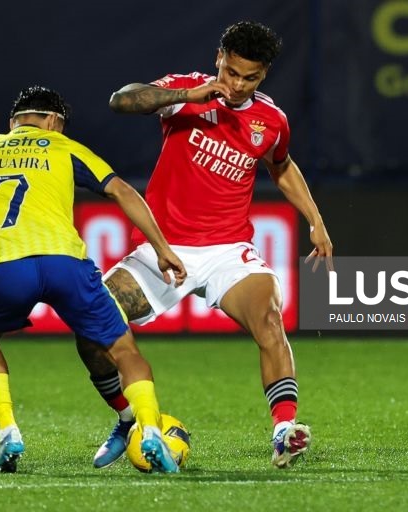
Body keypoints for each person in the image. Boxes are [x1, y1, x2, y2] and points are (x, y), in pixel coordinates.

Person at [0, 86, 187, 474]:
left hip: (4, 270)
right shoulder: (63, 147)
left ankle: (8, 431)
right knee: (121, 346)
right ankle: (150, 429)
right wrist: (161, 246)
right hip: (65, 264)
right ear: (53, 121)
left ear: (13, 123)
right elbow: (121, 190)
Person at [77, 21, 333, 469]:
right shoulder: (185, 91)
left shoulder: (271, 121)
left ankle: (283, 432)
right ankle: (125, 419)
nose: (236, 85)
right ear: (219, 57)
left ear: (264, 76)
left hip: (227, 250)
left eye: (249, 78)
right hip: (163, 248)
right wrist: (183, 98)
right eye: (231, 72)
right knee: (91, 329)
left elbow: (282, 166)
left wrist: (315, 220)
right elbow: (122, 100)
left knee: (269, 321)